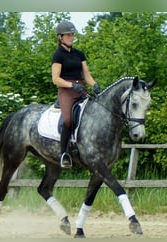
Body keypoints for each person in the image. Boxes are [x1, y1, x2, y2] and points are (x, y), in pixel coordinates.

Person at [51, 20, 101, 168]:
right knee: (67, 120)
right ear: (60, 37)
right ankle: (64, 153)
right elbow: (56, 79)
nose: (71, 37)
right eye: (68, 35)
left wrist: (95, 85)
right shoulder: (58, 55)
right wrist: (71, 85)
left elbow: (87, 75)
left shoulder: (79, 54)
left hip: (81, 88)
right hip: (66, 90)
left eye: (72, 34)